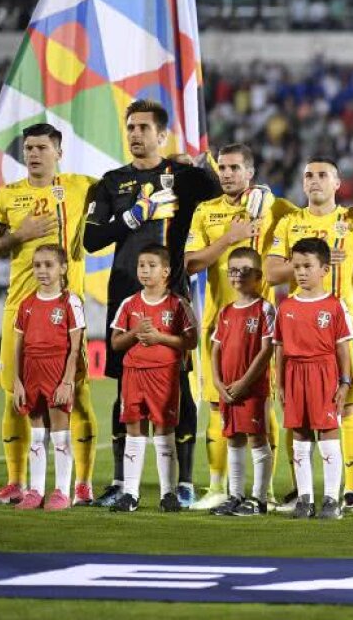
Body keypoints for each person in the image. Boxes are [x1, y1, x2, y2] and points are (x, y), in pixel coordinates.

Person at [84, 100, 220, 508]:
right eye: (130, 127)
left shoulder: (182, 176)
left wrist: (199, 166)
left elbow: (226, 189)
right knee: (125, 387)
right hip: (125, 296)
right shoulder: (111, 183)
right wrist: (135, 215)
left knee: (179, 387)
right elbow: (91, 240)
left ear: (162, 135)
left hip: (172, 295)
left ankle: (184, 483)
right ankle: (119, 482)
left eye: (144, 127)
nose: (135, 134)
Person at [0, 123, 98, 507]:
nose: (33, 154)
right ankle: (16, 482)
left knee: (76, 394)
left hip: (65, 310)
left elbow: (127, 184)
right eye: (29, 148)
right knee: (15, 396)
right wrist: (21, 234)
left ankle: (82, 485)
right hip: (20, 307)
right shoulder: (8, 195)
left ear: (58, 153)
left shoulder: (79, 187)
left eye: (42, 148)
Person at [184, 143, 294, 511]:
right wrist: (229, 238)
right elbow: (190, 264)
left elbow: (313, 218)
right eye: (223, 168)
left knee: (262, 406)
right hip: (219, 320)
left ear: (250, 172)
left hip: (262, 325)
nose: (227, 174)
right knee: (218, 405)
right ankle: (219, 487)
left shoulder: (274, 206)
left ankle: (265, 493)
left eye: (235, 168)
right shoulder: (206, 211)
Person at [267, 157, 353, 514]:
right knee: (295, 413)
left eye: (322, 175)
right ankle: (302, 492)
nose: (314, 180)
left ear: (337, 183)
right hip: (298, 324)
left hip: (339, 325)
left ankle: (350, 492)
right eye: (308, 175)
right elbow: (271, 272)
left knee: (348, 408)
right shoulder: (289, 222)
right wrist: (307, 265)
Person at [109, 244, 199, 513]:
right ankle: (130, 494)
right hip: (134, 375)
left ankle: (168, 494)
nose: (145, 271)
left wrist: (160, 338)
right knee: (134, 431)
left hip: (165, 376)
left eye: (151, 265)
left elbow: (191, 341)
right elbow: (115, 343)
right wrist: (135, 332)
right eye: (141, 265)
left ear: (166, 271)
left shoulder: (178, 304)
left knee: (164, 431)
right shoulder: (130, 303)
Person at [273, 238, 353, 521]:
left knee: (328, 432)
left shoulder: (334, 305)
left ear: (324, 270)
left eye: (308, 266)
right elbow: (280, 349)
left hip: (324, 372)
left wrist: (345, 382)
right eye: (297, 267)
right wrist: (280, 384)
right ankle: (305, 499)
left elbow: (343, 347)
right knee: (300, 434)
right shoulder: (286, 306)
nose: (301, 272)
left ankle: (331, 499)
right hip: (295, 374)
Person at [10, 244, 86, 511]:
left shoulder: (70, 302)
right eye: (37, 265)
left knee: (60, 435)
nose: (42, 270)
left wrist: (67, 381)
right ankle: (36, 491)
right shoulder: (27, 304)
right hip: (31, 371)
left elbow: (75, 347)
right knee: (37, 434)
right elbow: (18, 347)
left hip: (56, 370)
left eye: (48, 265)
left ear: (63, 268)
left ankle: (62, 491)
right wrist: (17, 381)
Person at [208, 248, 276, 517]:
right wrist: (218, 382)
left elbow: (267, 350)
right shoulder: (225, 312)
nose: (238, 275)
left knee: (257, 438)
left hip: (252, 389)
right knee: (234, 439)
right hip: (228, 389)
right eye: (233, 270)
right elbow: (215, 349)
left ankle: (259, 499)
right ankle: (235, 495)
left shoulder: (264, 309)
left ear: (258, 276)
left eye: (245, 271)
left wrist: (244, 383)